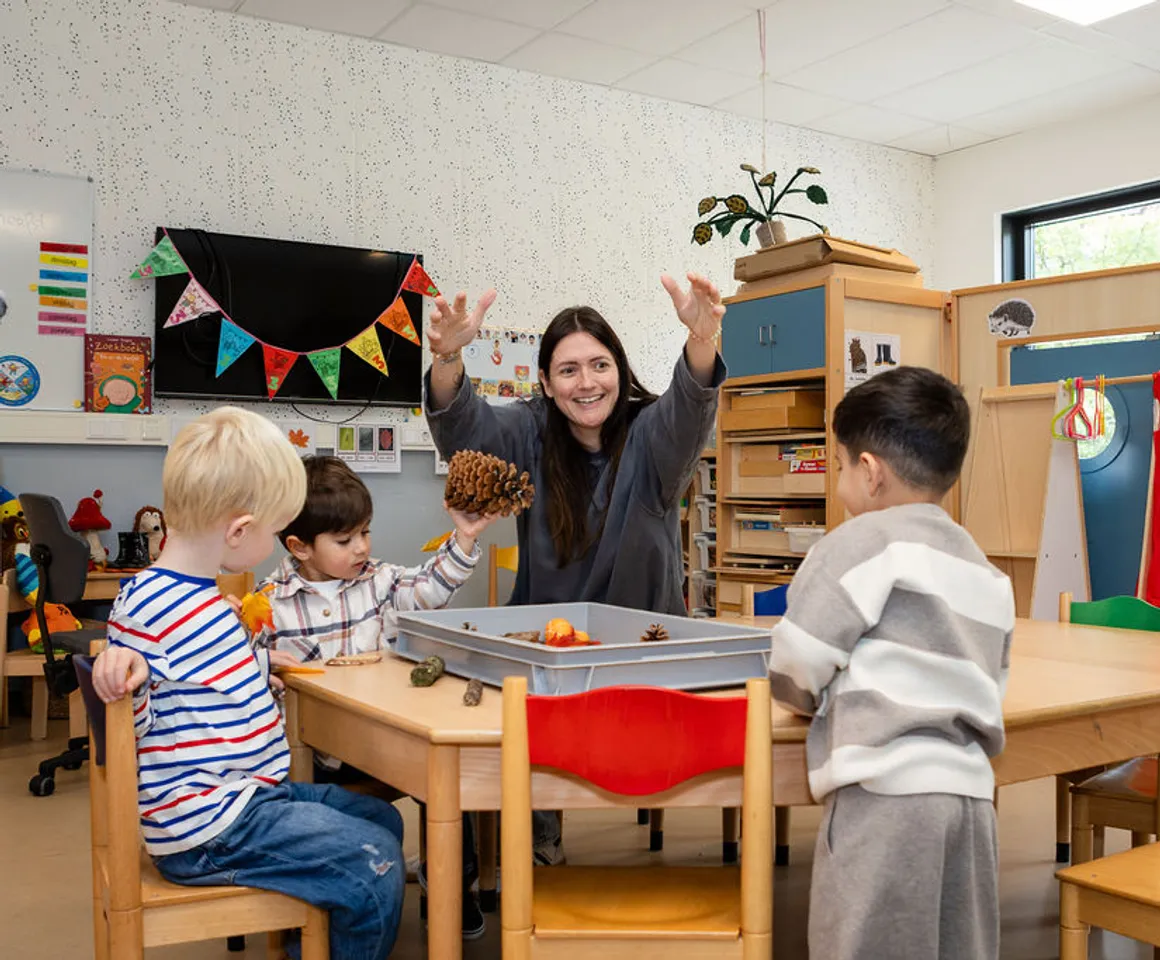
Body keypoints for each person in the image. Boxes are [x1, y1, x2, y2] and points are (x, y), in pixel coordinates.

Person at [424, 273, 727, 862]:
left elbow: (688, 413)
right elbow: (466, 433)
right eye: (568, 370)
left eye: (599, 365)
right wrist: (448, 358)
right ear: (545, 381)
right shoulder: (530, 433)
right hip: (545, 653)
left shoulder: (649, 435)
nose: (586, 383)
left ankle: (534, 836)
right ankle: (526, 841)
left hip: (643, 650)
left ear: (619, 369)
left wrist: (700, 340)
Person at [91, 407, 405, 960]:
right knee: (373, 856)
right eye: (273, 531)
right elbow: (135, 698)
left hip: (245, 798)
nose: (276, 544)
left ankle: (308, 937)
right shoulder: (163, 606)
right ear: (238, 532)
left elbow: (197, 687)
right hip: (214, 825)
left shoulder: (183, 597)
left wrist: (257, 668)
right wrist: (121, 676)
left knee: (380, 815)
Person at [766, 366, 1015, 960]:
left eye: (841, 465)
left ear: (870, 472)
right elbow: (992, 681)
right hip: (971, 804)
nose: (841, 481)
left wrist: (808, 699)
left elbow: (796, 665)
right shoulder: (986, 572)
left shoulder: (856, 545)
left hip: (883, 801)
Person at [250, 455, 496, 939]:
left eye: (365, 532)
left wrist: (464, 537)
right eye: (345, 540)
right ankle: (324, 901)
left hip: (382, 743)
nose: (362, 547)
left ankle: (450, 884)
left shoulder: (379, 581)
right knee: (313, 817)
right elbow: (250, 682)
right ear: (299, 546)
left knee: (446, 769)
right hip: (314, 755)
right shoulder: (269, 602)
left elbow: (429, 588)